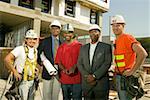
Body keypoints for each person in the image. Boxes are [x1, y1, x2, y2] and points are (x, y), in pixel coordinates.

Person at [111, 15, 148, 100]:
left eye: (118, 25)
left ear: (123, 26)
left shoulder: (127, 38)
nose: (115, 28)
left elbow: (143, 53)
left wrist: (132, 71)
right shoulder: (116, 40)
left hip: (127, 78)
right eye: (113, 25)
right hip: (119, 77)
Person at [77, 24, 112, 100]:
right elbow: (79, 64)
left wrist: (94, 76)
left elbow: (107, 63)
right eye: (91, 32)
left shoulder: (106, 47)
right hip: (87, 84)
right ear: (89, 33)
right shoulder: (83, 48)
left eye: (95, 31)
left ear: (99, 33)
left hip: (100, 85)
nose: (93, 33)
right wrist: (87, 76)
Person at [4, 29, 39, 100]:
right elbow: (7, 59)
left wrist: (35, 69)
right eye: (30, 39)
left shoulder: (35, 51)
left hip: (32, 81)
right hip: (22, 81)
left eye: (34, 39)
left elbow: (32, 62)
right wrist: (15, 72)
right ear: (26, 39)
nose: (32, 41)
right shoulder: (19, 49)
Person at [37, 20, 64, 100]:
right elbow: (38, 53)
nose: (55, 30)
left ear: (59, 30)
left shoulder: (63, 42)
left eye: (57, 28)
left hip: (59, 72)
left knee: (56, 94)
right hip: (47, 70)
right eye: (53, 28)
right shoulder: (45, 41)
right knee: (46, 94)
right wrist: (41, 64)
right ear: (50, 30)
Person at [55, 24, 82, 100]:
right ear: (63, 34)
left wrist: (74, 67)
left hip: (77, 80)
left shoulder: (79, 46)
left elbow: (82, 60)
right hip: (64, 80)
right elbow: (58, 62)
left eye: (69, 32)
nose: (67, 34)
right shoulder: (61, 47)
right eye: (65, 32)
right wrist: (63, 69)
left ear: (73, 34)